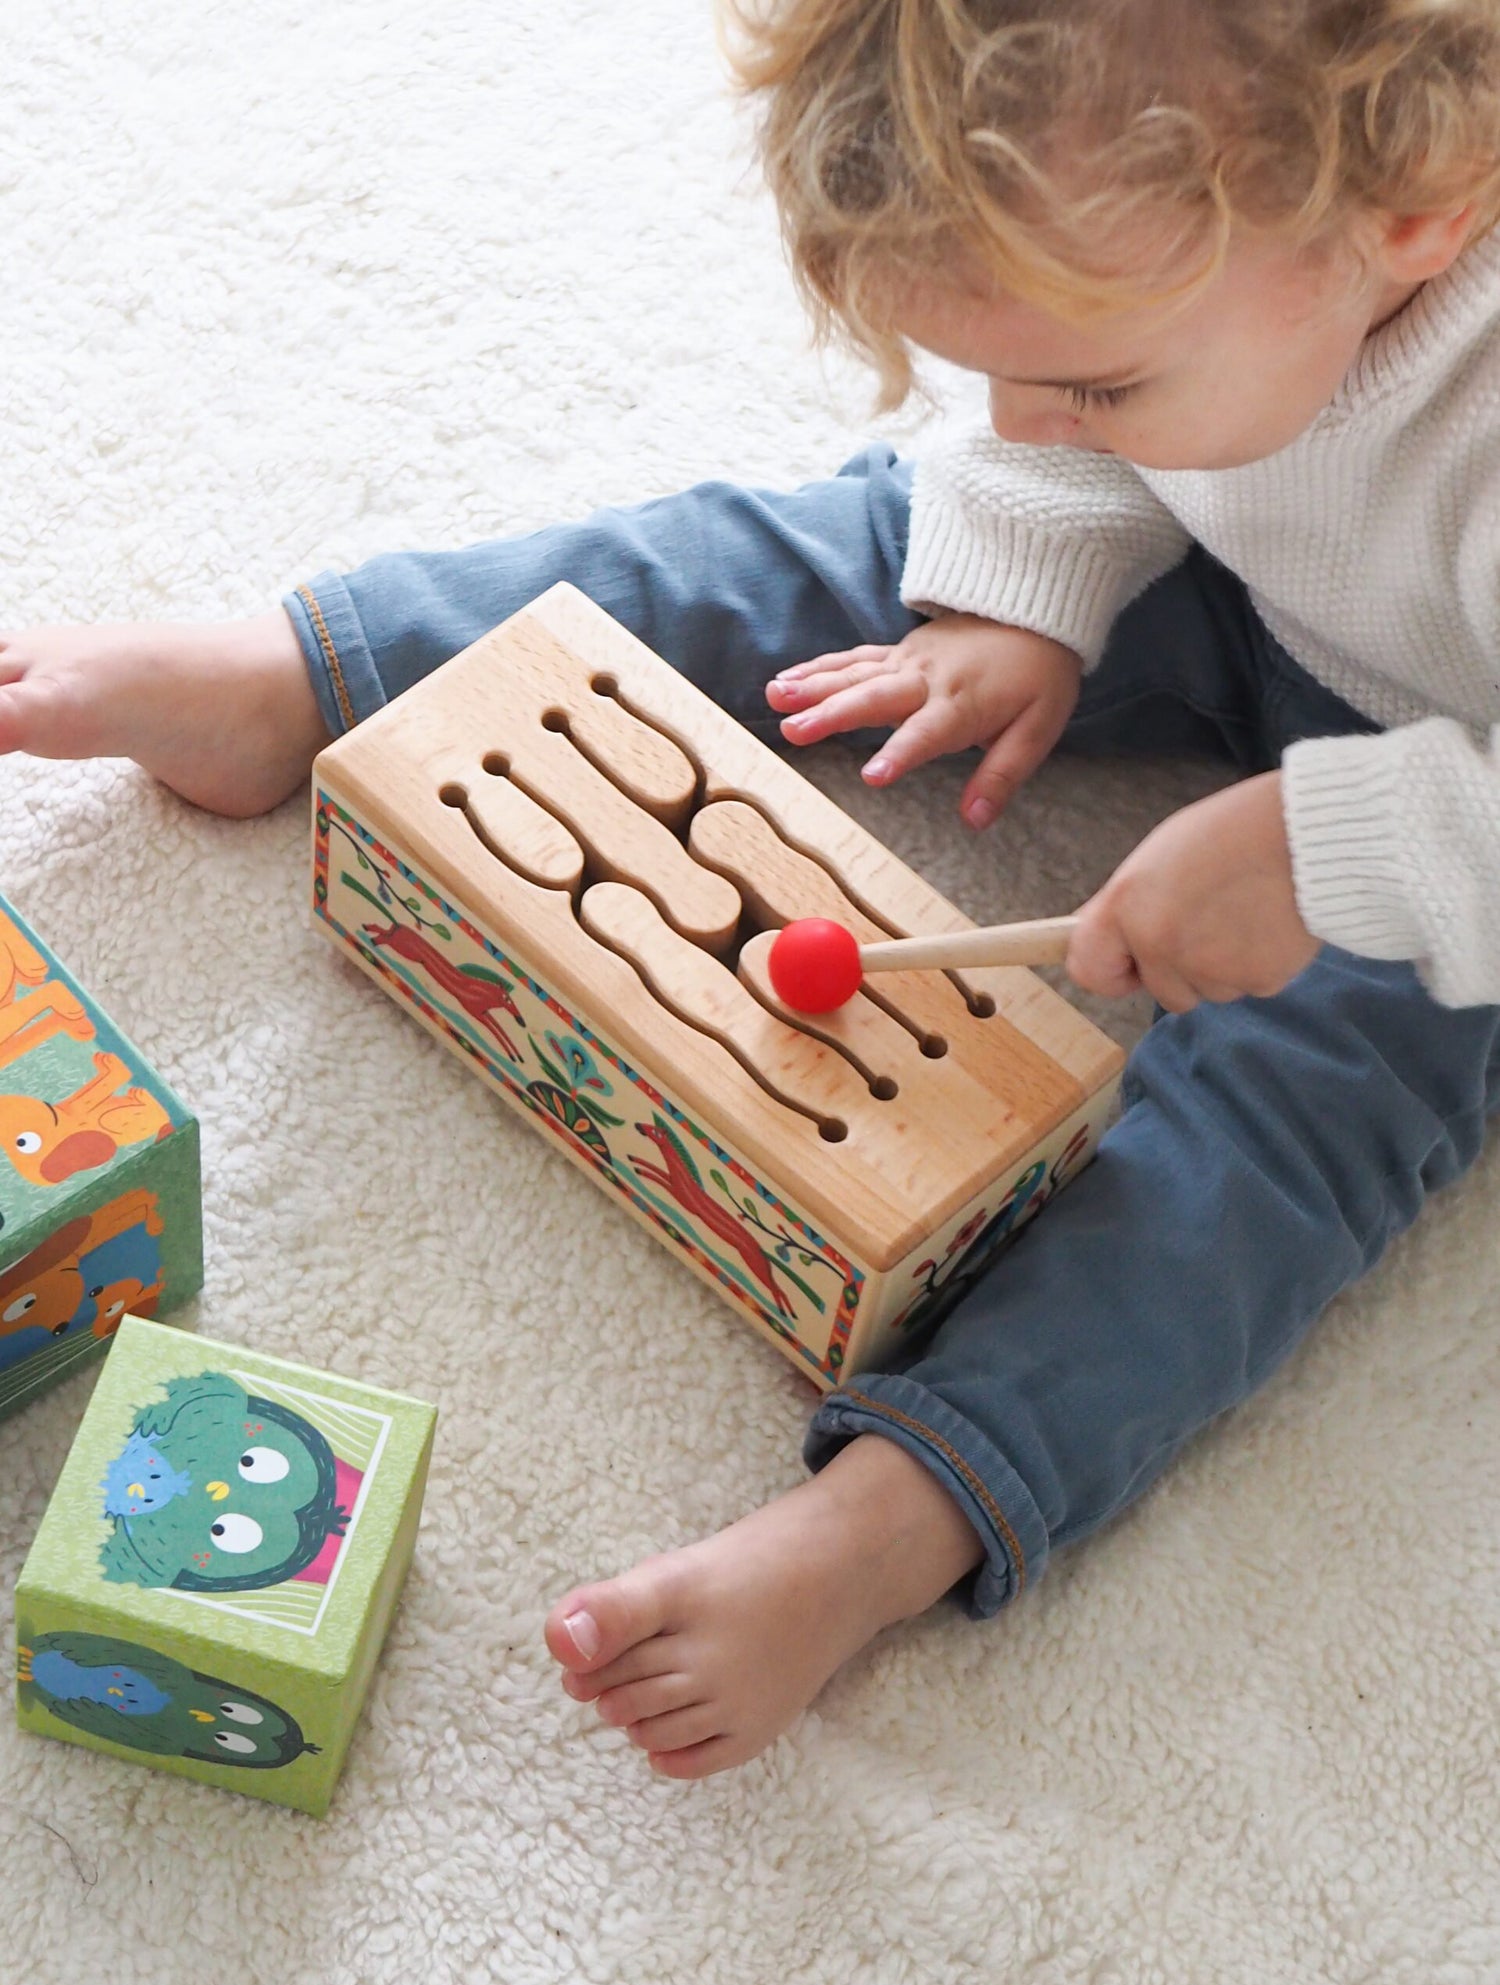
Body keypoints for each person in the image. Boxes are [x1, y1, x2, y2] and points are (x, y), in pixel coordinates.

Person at [5, 0, 1500, 1779]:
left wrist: (1342, 852)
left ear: (1421, 207)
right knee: (832, 568)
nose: (1027, 408)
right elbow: (1052, 405)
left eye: (1096, 382)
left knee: (1294, 1112)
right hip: (1239, 564)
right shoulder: (1200, 253)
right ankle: (315, 676)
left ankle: (899, 1511)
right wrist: (1021, 572)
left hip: (1461, 762)